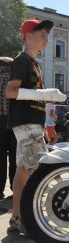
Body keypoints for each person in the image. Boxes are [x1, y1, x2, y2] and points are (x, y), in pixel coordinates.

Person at [6, 19, 66, 233]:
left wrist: (48, 122)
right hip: (26, 121)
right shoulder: (22, 61)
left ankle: (18, 218)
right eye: (42, 34)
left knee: (24, 170)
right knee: (34, 172)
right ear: (28, 36)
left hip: (32, 122)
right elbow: (10, 92)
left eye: (47, 36)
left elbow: (36, 98)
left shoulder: (34, 64)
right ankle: (28, 219)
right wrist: (43, 94)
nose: (46, 39)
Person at [0, 57, 17, 200]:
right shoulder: (15, 81)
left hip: (0, 120)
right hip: (14, 122)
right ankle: (15, 189)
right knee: (15, 158)